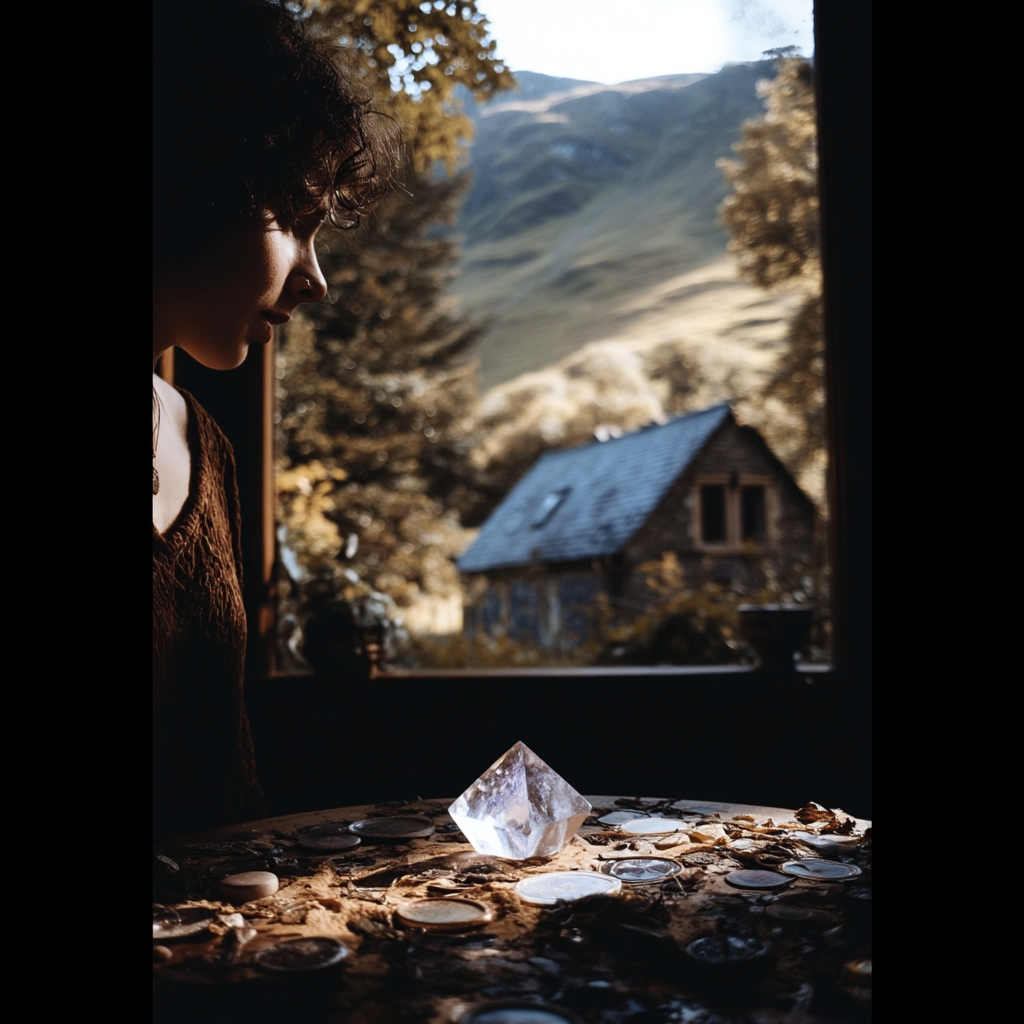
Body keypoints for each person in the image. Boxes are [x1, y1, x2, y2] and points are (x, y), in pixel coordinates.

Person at [152, 0, 401, 841]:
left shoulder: (206, 450)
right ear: (191, 183)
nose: (316, 279)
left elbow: (225, 781)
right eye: (296, 222)